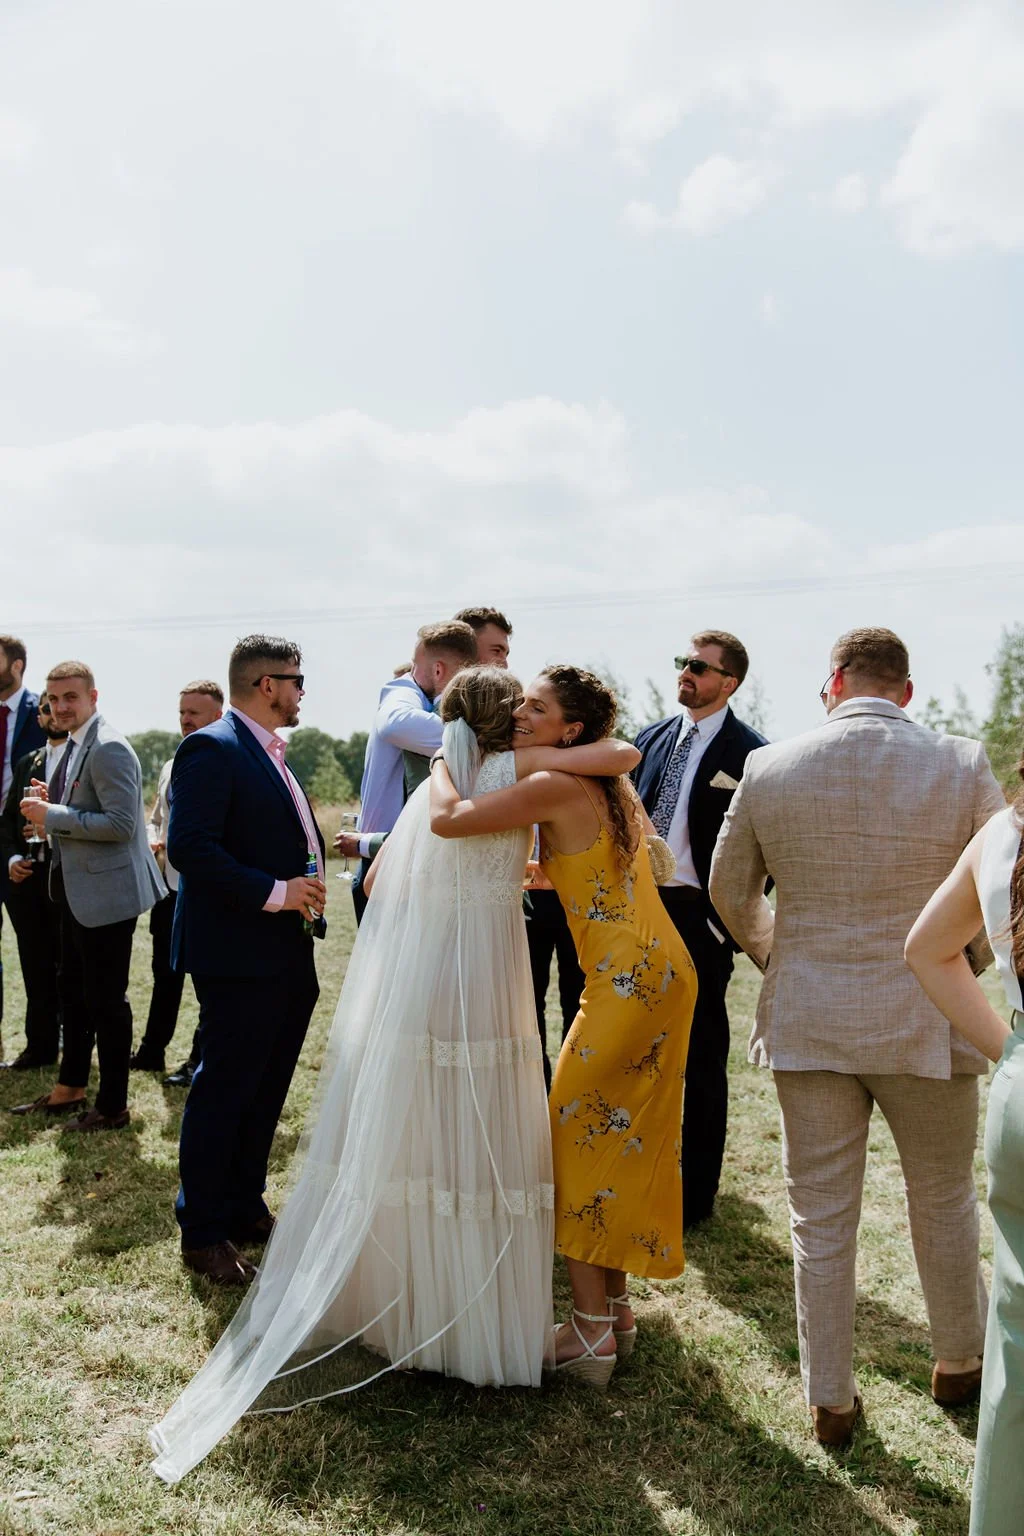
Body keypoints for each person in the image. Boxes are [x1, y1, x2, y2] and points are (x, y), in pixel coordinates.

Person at [149, 666, 634, 1483]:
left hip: (434, 972)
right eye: (519, 704)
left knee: (419, 1125)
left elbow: (375, 881)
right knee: (484, 1129)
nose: (526, 714)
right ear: (502, 721)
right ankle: (478, 1324)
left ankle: (409, 1308)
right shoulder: (528, 772)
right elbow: (614, 757)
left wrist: (447, 809)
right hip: (490, 973)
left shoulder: (446, 784)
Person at [709, 626, 1005, 1446]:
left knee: (820, 1215)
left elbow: (730, 893)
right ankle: (960, 1362)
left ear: (833, 682)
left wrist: (778, 954)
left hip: (810, 1015)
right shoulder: (961, 761)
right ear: (905, 690)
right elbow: (998, 885)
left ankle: (829, 1399)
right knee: (944, 1199)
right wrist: (960, 962)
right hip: (929, 1014)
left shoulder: (772, 766)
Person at [430, 665, 696, 1386]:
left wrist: (440, 770)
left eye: (536, 706)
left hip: (626, 982)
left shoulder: (551, 781)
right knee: (615, 1137)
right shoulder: (601, 781)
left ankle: (587, 1335)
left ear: (568, 728)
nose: (520, 711)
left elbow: (448, 821)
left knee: (575, 1143)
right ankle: (616, 1311)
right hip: (658, 971)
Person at [167, 636, 326, 1285]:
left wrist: (305, 893)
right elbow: (190, 848)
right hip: (237, 952)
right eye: (297, 680)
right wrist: (277, 892)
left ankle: (243, 1203)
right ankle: (202, 1231)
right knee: (224, 1090)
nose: (302, 691)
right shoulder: (211, 747)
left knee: (265, 1089)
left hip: (288, 949)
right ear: (267, 684)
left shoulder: (273, 755)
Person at [906, 782, 1023, 1536]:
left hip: (1021, 1100)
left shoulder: (1003, 831)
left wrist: (1011, 1053)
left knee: (1015, 1349)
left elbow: (926, 949)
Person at [633, 631, 767, 1229]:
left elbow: (764, 856)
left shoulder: (753, 755)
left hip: (700, 920)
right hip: (639, 912)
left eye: (699, 667)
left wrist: (722, 925)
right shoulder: (651, 738)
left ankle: (695, 1200)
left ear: (728, 683)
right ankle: (637, 1172)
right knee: (636, 1050)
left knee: (703, 1057)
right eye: (683, 662)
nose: (685, 673)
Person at [13, 662, 166, 1130]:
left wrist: (52, 814)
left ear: (93, 697)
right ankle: (71, 1087)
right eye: (53, 699)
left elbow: (122, 826)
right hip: (77, 893)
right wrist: (51, 802)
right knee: (73, 995)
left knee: (105, 1001)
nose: (60, 707)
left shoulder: (110, 746)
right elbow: (84, 809)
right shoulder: (79, 741)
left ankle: (113, 1106)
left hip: (108, 897)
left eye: (70, 698)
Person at [350, 621, 477, 921]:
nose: (410, 674)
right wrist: (477, 740)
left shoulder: (437, 706)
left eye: (413, 667)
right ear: (437, 670)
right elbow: (396, 723)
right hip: (384, 863)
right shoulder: (404, 692)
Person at [130, 680, 224, 1081]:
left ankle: (197, 1061)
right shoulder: (172, 764)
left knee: (206, 983)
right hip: (168, 888)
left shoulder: (224, 762)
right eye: (182, 712)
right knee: (163, 974)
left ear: (217, 716)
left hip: (206, 891)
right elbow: (155, 819)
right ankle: (152, 1051)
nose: (186, 720)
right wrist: (154, 841)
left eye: (194, 713)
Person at [0, 699, 69, 1068]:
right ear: (39, 717)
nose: (52, 713)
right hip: (29, 879)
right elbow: (7, 822)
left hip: (67, 880)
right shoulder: (28, 762)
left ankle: (71, 1046)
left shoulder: (81, 760)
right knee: (34, 965)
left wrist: (51, 825)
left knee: (69, 968)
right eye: (45, 707)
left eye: (58, 706)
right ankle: (38, 1047)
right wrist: (12, 858)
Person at [0, 635, 47, 1056]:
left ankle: (43, 1041)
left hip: (25, 846)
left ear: (16, 666)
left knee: (36, 949)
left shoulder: (44, 712)